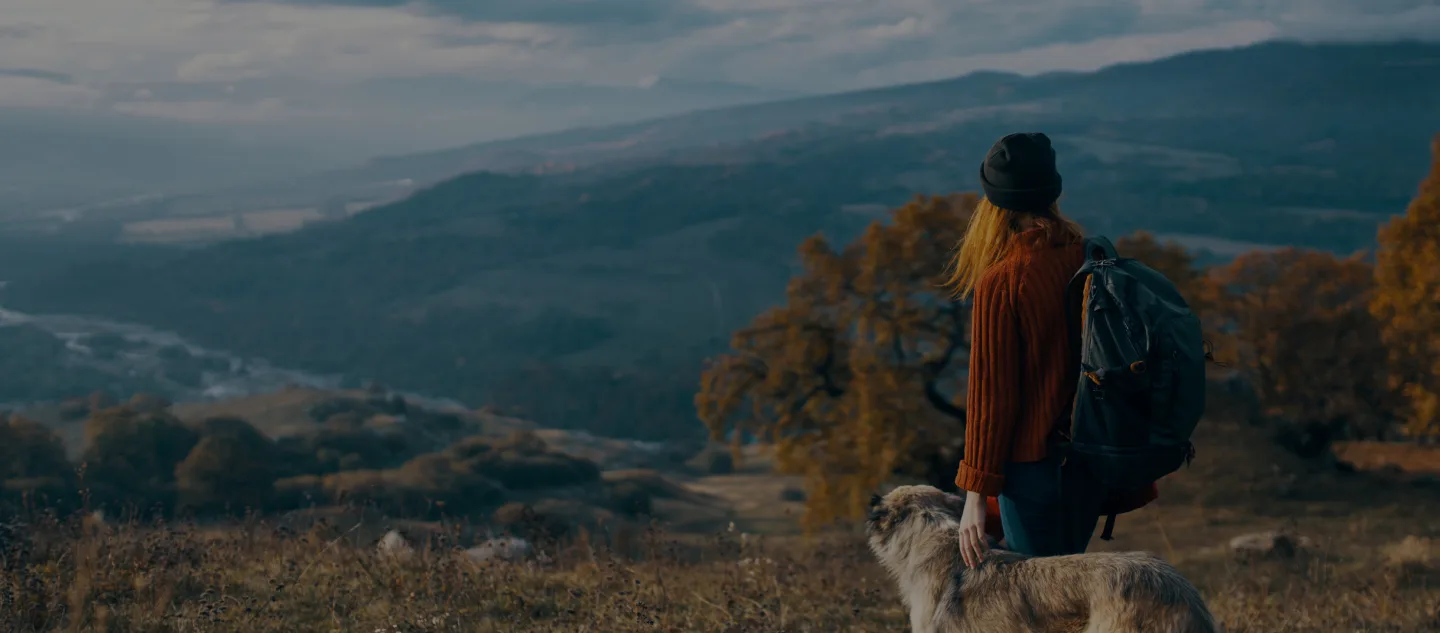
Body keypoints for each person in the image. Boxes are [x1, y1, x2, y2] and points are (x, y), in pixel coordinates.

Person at [945, 132, 1156, 567]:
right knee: (1066, 594)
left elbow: (992, 399)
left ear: (994, 200)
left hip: (1034, 470)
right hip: (1090, 460)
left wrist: (974, 498)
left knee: (1038, 605)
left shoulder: (1003, 279)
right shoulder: (1089, 256)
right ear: (1052, 191)